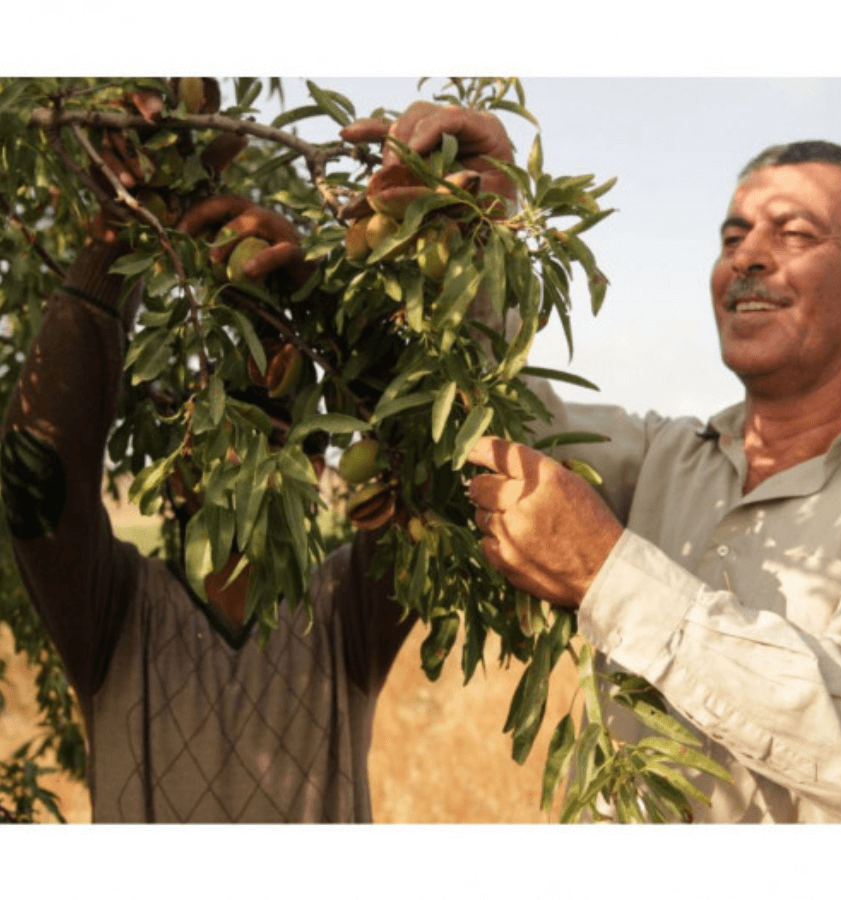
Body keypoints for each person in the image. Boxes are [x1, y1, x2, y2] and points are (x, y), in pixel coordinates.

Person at [0, 90, 512, 823]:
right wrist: (120, 232)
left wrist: (326, 317)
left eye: (295, 420)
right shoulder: (112, 613)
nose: (270, 445)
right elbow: (33, 476)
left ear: (320, 468)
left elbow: (442, 454)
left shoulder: (346, 616)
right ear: (177, 467)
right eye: (229, 415)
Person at [465, 135, 841, 822]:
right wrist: (471, 232)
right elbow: (496, 414)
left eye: (794, 234)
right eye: (733, 236)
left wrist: (611, 575)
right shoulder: (665, 457)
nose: (746, 257)